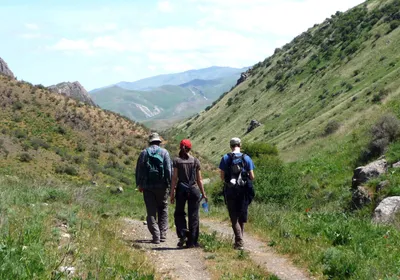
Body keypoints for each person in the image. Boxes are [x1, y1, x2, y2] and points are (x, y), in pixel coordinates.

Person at [136, 132, 172, 244]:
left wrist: (139, 184)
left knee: (151, 212)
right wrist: (171, 185)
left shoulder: (144, 153)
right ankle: (163, 234)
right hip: (162, 187)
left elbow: (139, 170)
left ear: (150, 142)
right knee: (163, 209)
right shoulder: (164, 152)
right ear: (159, 142)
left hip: (148, 187)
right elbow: (168, 170)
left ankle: (155, 235)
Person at [170, 139, 207, 248]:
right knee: (194, 215)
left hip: (181, 189)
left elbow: (174, 178)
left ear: (180, 147)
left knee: (179, 213)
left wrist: (172, 193)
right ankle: (193, 242)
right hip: (194, 190)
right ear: (190, 148)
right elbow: (199, 179)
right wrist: (203, 193)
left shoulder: (176, 161)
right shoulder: (195, 161)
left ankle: (182, 234)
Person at [219, 137, 255, 250]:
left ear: (230, 146)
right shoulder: (246, 158)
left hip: (230, 190)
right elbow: (252, 177)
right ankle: (239, 240)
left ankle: (239, 241)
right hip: (243, 191)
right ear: (240, 145)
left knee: (233, 216)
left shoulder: (225, 158)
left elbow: (222, 177)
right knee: (241, 215)